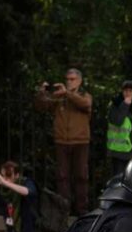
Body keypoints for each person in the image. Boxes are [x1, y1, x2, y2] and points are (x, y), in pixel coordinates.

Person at [34, 68, 93, 215]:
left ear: (79, 81)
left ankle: (81, 212)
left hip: (80, 142)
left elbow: (85, 105)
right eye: (67, 79)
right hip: (62, 141)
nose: (69, 81)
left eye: (72, 79)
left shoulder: (84, 95)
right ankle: (63, 212)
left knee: (81, 177)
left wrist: (67, 93)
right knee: (62, 177)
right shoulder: (60, 97)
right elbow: (42, 106)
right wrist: (42, 92)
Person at [106, 80, 132, 177]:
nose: (128, 93)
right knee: (119, 178)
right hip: (120, 150)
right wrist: (125, 105)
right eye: (125, 90)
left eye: (131, 91)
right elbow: (117, 121)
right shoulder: (115, 104)